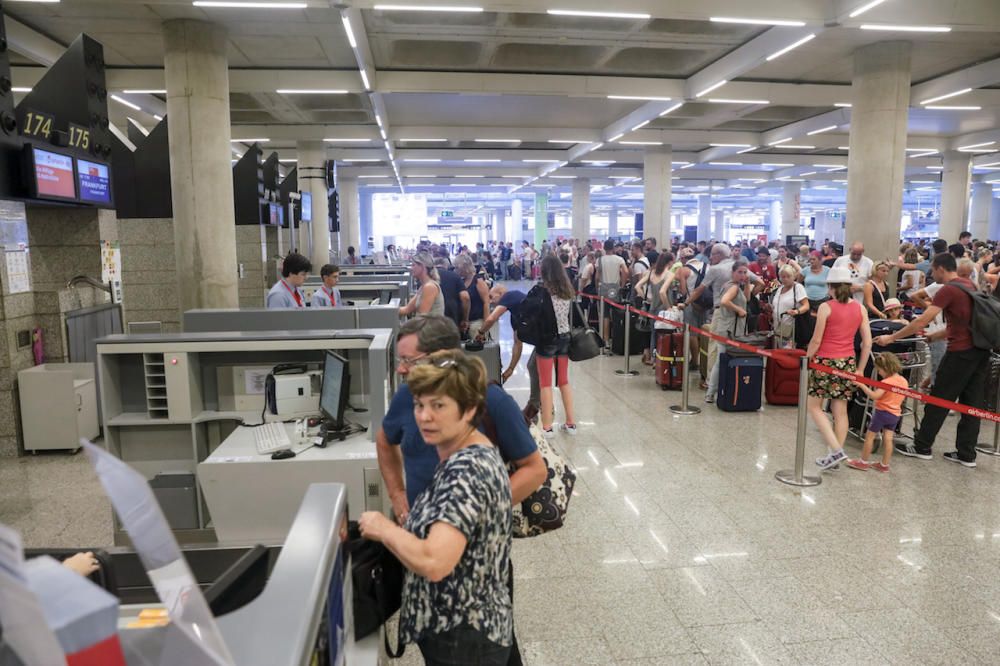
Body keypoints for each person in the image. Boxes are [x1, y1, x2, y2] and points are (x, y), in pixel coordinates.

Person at [376, 317, 546, 665]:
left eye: (412, 360)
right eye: (400, 361)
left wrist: (470, 513)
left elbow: (534, 469)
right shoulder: (408, 396)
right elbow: (385, 439)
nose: (403, 370)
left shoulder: (489, 398)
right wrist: (397, 496)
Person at [361, 350, 514, 664]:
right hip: (468, 626)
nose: (424, 416)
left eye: (439, 405)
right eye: (419, 404)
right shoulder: (468, 450)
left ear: (469, 410)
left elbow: (435, 561)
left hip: (463, 639)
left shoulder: (466, 473)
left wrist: (384, 528)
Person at [877, 253, 990, 468]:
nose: (931, 275)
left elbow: (921, 320)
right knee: (971, 403)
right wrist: (934, 337)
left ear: (940, 268)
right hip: (979, 351)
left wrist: (890, 337)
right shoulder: (970, 286)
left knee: (939, 398)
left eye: (932, 271)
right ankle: (967, 454)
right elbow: (958, 325)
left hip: (960, 353)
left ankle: (922, 446)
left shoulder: (948, 289)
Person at [807, 266, 872, 470]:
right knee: (840, 410)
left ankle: (836, 450)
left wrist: (806, 357)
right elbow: (867, 343)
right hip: (848, 363)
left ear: (831, 287)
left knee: (814, 406)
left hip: (825, 362)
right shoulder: (860, 308)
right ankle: (833, 456)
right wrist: (860, 369)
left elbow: (817, 340)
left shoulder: (826, 307)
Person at [534, 255, 578, 436]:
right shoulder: (567, 290)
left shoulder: (542, 291)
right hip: (565, 338)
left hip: (546, 340)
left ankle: (547, 426)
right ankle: (570, 423)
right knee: (563, 381)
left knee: (545, 384)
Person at [846, 352, 908, 472]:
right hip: (895, 414)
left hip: (882, 413)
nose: (879, 373)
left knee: (869, 437)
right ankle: (884, 465)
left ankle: (863, 462)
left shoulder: (886, 383)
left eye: (879, 370)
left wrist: (862, 385)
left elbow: (875, 396)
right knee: (888, 439)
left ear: (886, 368)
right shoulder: (903, 381)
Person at [705, 259, 757, 403]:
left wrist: (747, 284)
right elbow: (724, 301)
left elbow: (746, 298)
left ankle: (718, 391)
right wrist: (739, 309)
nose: (742, 275)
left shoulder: (735, 286)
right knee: (721, 360)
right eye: (739, 272)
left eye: (745, 272)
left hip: (731, 328)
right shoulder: (732, 287)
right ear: (732, 273)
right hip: (729, 329)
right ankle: (711, 392)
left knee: (723, 360)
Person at [634, 252, 676, 366]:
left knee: (654, 333)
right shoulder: (669, 274)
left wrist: (647, 298)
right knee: (665, 335)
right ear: (670, 262)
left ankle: (653, 359)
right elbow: (663, 292)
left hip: (652, 308)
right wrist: (669, 308)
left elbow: (637, 286)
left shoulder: (652, 273)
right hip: (664, 309)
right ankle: (662, 358)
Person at [596, 238, 629, 348]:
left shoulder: (599, 260)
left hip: (604, 288)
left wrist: (597, 288)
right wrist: (622, 285)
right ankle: (616, 339)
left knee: (605, 315)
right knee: (616, 314)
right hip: (615, 288)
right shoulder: (619, 259)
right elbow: (626, 271)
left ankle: (606, 340)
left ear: (604, 248)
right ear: (613, 248)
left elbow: (597, 277)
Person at [771, 265, 808, 348]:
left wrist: (796, 311)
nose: (785, 279)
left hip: (792, 329)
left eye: (788, 276)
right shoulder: (779, 289)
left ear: (794, 276)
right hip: (778, 328)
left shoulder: (798, 287)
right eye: (783, 277)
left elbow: (806, 305)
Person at [456, 255, 491, 340]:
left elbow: (486, 302)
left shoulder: (478, 281)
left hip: (477, 322)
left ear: (464, 267)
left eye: (457, 268)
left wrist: (485, 327)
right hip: (464, 323)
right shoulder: (462, 281)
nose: (456, 270)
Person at [399, 252, 445, 318]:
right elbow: (406, 309)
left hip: (431, 327)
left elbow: (421, 318)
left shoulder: (429, 287)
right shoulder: (423, 286)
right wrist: (384, 311)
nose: (411, 268)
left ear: (422, 266)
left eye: (413, 265)